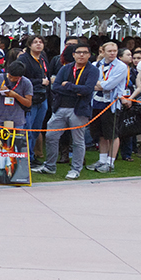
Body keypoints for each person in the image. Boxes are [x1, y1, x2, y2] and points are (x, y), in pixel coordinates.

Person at [34, 43, 95, 179]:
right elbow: (55, 87)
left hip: (79, 110)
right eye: (78, 52)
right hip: (60, 108)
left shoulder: (92, 70)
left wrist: (68, 85)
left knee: (78, 141)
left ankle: (76, 169)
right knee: (51, 136)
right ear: (73, 55)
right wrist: (76, 89)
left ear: (89, 55)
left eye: (84, 52)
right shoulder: (66, 68)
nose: (81, 55)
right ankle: (50, 166)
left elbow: (87, 90)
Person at [87, 40, 128, 173]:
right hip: (97, 102)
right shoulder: (96, 64)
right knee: (101, 134)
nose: (112, 53)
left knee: (112, 134)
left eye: (115, 51)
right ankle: (102, 160)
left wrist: (99, 84)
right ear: (102, 52)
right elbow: (90, 83)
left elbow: (109, 85)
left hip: (111, 103)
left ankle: (110, 162)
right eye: (109, 51)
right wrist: (99, 84)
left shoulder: (121, 67)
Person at [18, 35, 51, 163]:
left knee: (37, 128)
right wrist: (39, 81)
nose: (38, 44)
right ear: (29, 45)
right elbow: (20, 78)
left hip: (43, 97)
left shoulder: (43, 58)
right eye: (35, 42)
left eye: (41, 42)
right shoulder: (24, 59)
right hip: (30, 97)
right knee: (28, 128)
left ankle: (31, 154)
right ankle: (27, 157)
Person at [0, 59, 33, 130]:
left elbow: (28, 103)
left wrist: (16, 95)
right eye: (10, 77)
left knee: (16, 140)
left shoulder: (26, 83)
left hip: (17, 121)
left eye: (15, 78)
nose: (12, 79)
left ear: (20, 77)